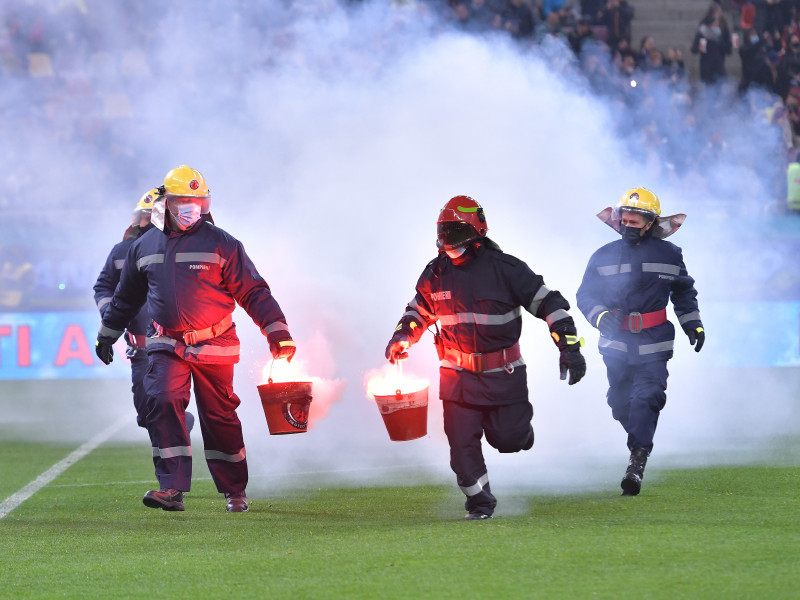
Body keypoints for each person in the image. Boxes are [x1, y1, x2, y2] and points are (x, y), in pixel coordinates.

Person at [95, 165, 297, 513]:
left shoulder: (224, 244)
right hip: (166, 343)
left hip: (215, 344)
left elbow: (254, 292)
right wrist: (106, 335)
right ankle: (171, 488)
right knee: (161, 400)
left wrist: (278, 333)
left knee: (219, 416)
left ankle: (235, 491)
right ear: (167, 202)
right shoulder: (142, 247)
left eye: (198, 199)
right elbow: (125, 298)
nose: (192, 206)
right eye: (184, 200)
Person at [385, 195, 586, 520]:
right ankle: (479, 504)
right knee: (460, 446)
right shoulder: (436, 273)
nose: (448, 239)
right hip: (457, 379)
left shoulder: (507, 269)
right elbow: (416, 312)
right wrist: (401, 337)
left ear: (476, 230)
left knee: (510, 440)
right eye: (444, 231)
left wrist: (570, 347)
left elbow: (551, 304)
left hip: (504, 376)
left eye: (454, 231)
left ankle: (519, 433)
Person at [576, 187, 704, 497]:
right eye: (625, 217)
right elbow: (585, 295)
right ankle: (640, 445)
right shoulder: (602, 255)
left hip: (654, 344)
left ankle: (637, 461)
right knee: (620, 403)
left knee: (647, 397)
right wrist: (599, 316)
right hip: (615, 344)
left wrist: (693, 324)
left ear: (650, 222)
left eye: (637, 218)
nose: (629, 223)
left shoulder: (670, 254)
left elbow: (684, 293)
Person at [93, 188, 195, 434]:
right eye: (142, 216)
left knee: (162, 410)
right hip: (139, 350)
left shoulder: (178, 247)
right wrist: (111, 314)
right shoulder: (120, 252)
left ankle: (173, 455)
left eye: (149, 217)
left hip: (171, 347)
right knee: (146, 416)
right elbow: (103, 286)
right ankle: (180, 424)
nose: (144, 222)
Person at [690, 1, 733, 85]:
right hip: (707, 66)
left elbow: (728, 49)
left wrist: (719, 38)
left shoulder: (723, 29)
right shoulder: (702, 32)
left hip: (719, 65)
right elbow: (693, 49)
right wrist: (699, 47)